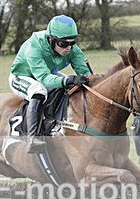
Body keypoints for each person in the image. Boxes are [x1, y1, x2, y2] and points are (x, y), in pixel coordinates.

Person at [9, 15, 92, 153]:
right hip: (21, 76)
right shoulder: (34, 46)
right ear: (51, 39)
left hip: (46, 73)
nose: (68, 48)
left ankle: (55, 121)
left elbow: (86, 74)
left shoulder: (72, 49)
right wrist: (69, 79)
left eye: (72, 43)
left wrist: (90, 79)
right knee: (39, 91)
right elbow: (44, 78)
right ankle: (33, 138)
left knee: (71, 86)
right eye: (63, 44)